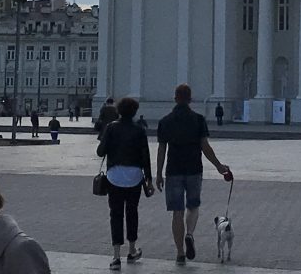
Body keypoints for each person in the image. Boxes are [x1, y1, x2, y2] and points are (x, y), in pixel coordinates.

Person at [156, 84, 230, 266]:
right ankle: (190, 234)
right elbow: (205, 146)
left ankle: (180, 253)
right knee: (193, 206)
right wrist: (219, 166)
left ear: (175, 98)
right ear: (190, 99)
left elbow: (161, 149)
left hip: (173, 170)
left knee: (177, 212)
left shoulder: (165, 121)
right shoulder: (198, 119)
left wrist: (158, 174)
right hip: (194, 170)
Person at [97, 97, 154, 270]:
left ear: (119, 111)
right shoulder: (139, 130)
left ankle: (116, 257)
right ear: (135, 112)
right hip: (135, 176)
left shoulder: (111, 128)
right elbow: (146, 157)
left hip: (114, 176)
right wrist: (149, 179)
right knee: (132, 213)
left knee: (116, 215)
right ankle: (131, 250)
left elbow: (100, 152)